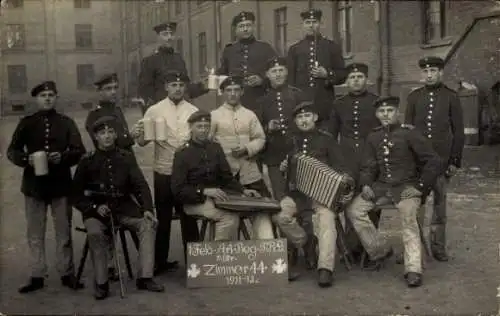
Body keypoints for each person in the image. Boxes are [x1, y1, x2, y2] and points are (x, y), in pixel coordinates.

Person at [346, 96, 442, 288]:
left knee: (408, 219)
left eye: (389, 110)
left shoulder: (410, 134)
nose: (385, 115)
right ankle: (380, 250)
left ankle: (413, 269)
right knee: (354, 210)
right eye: (381, 111)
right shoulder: (373, 136)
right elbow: (368, 166)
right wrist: (365, 184)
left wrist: (420, 187)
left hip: (407, 188)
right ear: (376, 114)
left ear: (397, 112)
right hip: (382, 187)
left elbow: (433, 161)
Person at [72, 116, 164, 300]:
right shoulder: (87, 161)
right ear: (95, 137)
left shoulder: (126, 157)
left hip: (124, 208)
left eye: (110, 132)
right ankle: (102, 282)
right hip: (96, 212)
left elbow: (140, 185)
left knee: (147, 224)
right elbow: (75, 194)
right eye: (102, 133)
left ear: (115, 135)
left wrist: (147, 209)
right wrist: (94, 207)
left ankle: (145, 277)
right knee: (95, 234)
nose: (107, 136)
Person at [7, 81, 85, 293]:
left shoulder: (66, 122)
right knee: (35, 232)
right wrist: (26, 159)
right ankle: (37, 274)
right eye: (43, 95)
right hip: (34, 186)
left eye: (51, 95)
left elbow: (79, 150)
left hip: (60, 184)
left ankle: (67, 273)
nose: (47, 98)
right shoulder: (27, 123)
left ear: (56, 97)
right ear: (36, 99)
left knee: (63, 231)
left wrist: (64, 156)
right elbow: (11, 151)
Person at [278, 101, 353, 287]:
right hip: (296, 195)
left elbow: (342, 169)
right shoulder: (290, 141)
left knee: (327, 221)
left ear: (315, 118)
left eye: (307, 116)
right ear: (295, 121)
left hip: (322, 196)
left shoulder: (327, 140)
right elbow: (287, 171)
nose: (304, 120)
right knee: (281, 217)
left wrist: (343, 185)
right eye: (300, 117)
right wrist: (284, 167)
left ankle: (325, 269)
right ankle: (305, 241)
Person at [132, 71, 200, 275]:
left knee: (189, 215)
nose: (177, 88)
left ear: (185, 87)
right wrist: (139, 133)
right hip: (163, 170)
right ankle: (159, 261)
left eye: (181, 85)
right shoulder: (154, 110)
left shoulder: (193, 110)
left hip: (187, 174)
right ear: (165, 87)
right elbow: (142, 142)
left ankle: (194, 262)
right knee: (162, 217)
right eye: (173, 85)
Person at [254, 56, 316, 270]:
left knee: (305, 202)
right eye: (273, 71)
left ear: (286, 72)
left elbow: (307, 123)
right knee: (281, 203)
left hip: (299, 157)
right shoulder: (262, 101)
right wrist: (267, 127)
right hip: (274, 158)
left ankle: (309, 250)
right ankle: (289, 249)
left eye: (281, 70)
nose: (278, 74)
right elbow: (256, 131)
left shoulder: (298, 95)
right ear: (267, 75)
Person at [404, 56, 465, 262]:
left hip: (441, 162)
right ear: (422, 74)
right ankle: (416, 246)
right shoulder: (414, 98)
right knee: (416, 205)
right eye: (426, 71)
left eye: (433, 71)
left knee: (440, 206)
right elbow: (407, 131)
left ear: (441, 73)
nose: (429, 75)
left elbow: (458, 132)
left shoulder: (451, 97)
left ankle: (438, 247)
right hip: (419, 164)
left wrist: (454, 161)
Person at [171, 110, 260, 241]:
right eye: (199, 126)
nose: (203, 130)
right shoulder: (182, 153)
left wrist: (243, 190)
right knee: (229, 218)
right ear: (191, 127)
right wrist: (204, 191)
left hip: (218, 198)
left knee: (248, 211)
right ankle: (219, 257)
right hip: (193, 201)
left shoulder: (215, 148)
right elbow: (178, 189)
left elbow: (227, 178)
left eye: (206, 126)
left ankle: (230, 254)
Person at [210, 76, 274, 240]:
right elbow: (208, 143)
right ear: (222, 92)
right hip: (226, 176)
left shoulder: (250, 115)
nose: (233, 94)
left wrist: (247, 149)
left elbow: (260, 138)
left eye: (236, 90)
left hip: (249, 172)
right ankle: (231, 256)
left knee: (264, 209)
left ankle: (268, 248)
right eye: (229, 90)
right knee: (227, 214)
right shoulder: (215, 115)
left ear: (242, 92)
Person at [328, 63, 380, 263]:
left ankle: (369, 250)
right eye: (352, 77)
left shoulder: (376, 102)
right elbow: (332, 136)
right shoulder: (339, 104)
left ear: (366, 79)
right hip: (347, 158)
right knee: (348, 199)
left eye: (359, 76)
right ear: (347, 81)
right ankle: (353, 247)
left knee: (370, 203)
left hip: (371, 157)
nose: (356, 80)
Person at [286, 9, 347, 126]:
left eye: (314, 22)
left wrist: (327, 74)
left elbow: (343, 74)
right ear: (303, 25)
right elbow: (290, 80)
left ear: (320, 24)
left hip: (324, 104)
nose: (311, 25)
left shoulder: (331, 47)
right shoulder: (294, 49)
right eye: (308, 22)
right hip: (301, 104)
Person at [138, 22, 208, 114]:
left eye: (171, 34)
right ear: (158, 37)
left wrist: (204, 86)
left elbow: (186, 87)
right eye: (165, 34)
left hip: (181, 110)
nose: (169, 37)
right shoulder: (150, 61)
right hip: (162, 112)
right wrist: (150, 116)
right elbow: (145, 93)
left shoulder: (179, 59)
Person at [218, 11, 277, 113]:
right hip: (236, 102)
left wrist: (262, 80)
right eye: (241, 26)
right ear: (235, 30)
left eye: (248, 25)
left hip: (260, 100)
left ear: (253, 27)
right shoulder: (229, 50)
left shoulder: (265, 48)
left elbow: (277, 72)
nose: (245, 29)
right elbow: (223, 73)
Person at [85, 73, 135, 153]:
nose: (113, 92)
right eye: (108, 88)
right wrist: (130, 137)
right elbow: (107, 145)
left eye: (115, 88)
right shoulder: (94, 115)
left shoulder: (117, 110)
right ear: (99, 91)